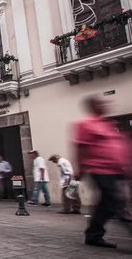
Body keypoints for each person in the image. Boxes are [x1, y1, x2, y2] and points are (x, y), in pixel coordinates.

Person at [74, 95, 132, 248]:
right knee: (115, 201)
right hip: (100, 169)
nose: (105, 105)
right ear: (93, 106)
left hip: (117, 170)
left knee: (110, 203)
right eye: (101, 103)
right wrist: (79, 168)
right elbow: (80, 148)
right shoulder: (86, 124)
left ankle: (93, 234)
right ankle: (94, 234)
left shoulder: (108, 124)